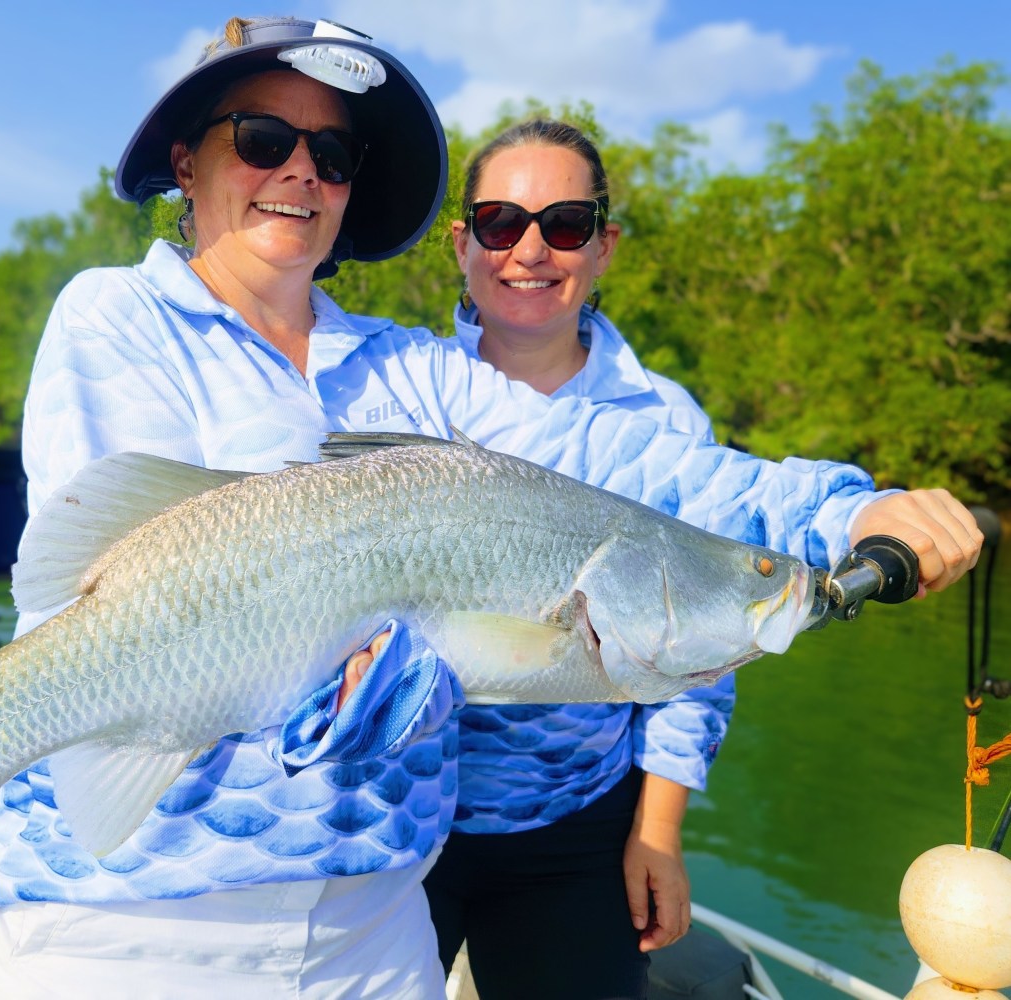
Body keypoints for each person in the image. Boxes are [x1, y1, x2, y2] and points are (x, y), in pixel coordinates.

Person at [0, 17, 982, 999]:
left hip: (369, 919)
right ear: (186, 161)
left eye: (333, 153)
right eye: (264, 139)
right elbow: (129, 597)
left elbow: (617, 463)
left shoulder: (409, 366)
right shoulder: (116, 315)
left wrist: (843, 507)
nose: (301, 173)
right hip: (130, 915)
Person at [423, 119, 721, 998]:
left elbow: (702, 649)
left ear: (603, 246)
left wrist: (657, 832)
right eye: (499, 221)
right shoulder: (402, 391)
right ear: (461, 244)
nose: (529, 249)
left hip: (580, 824)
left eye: (564, 224)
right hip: (397, 815)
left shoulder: (667, 423)